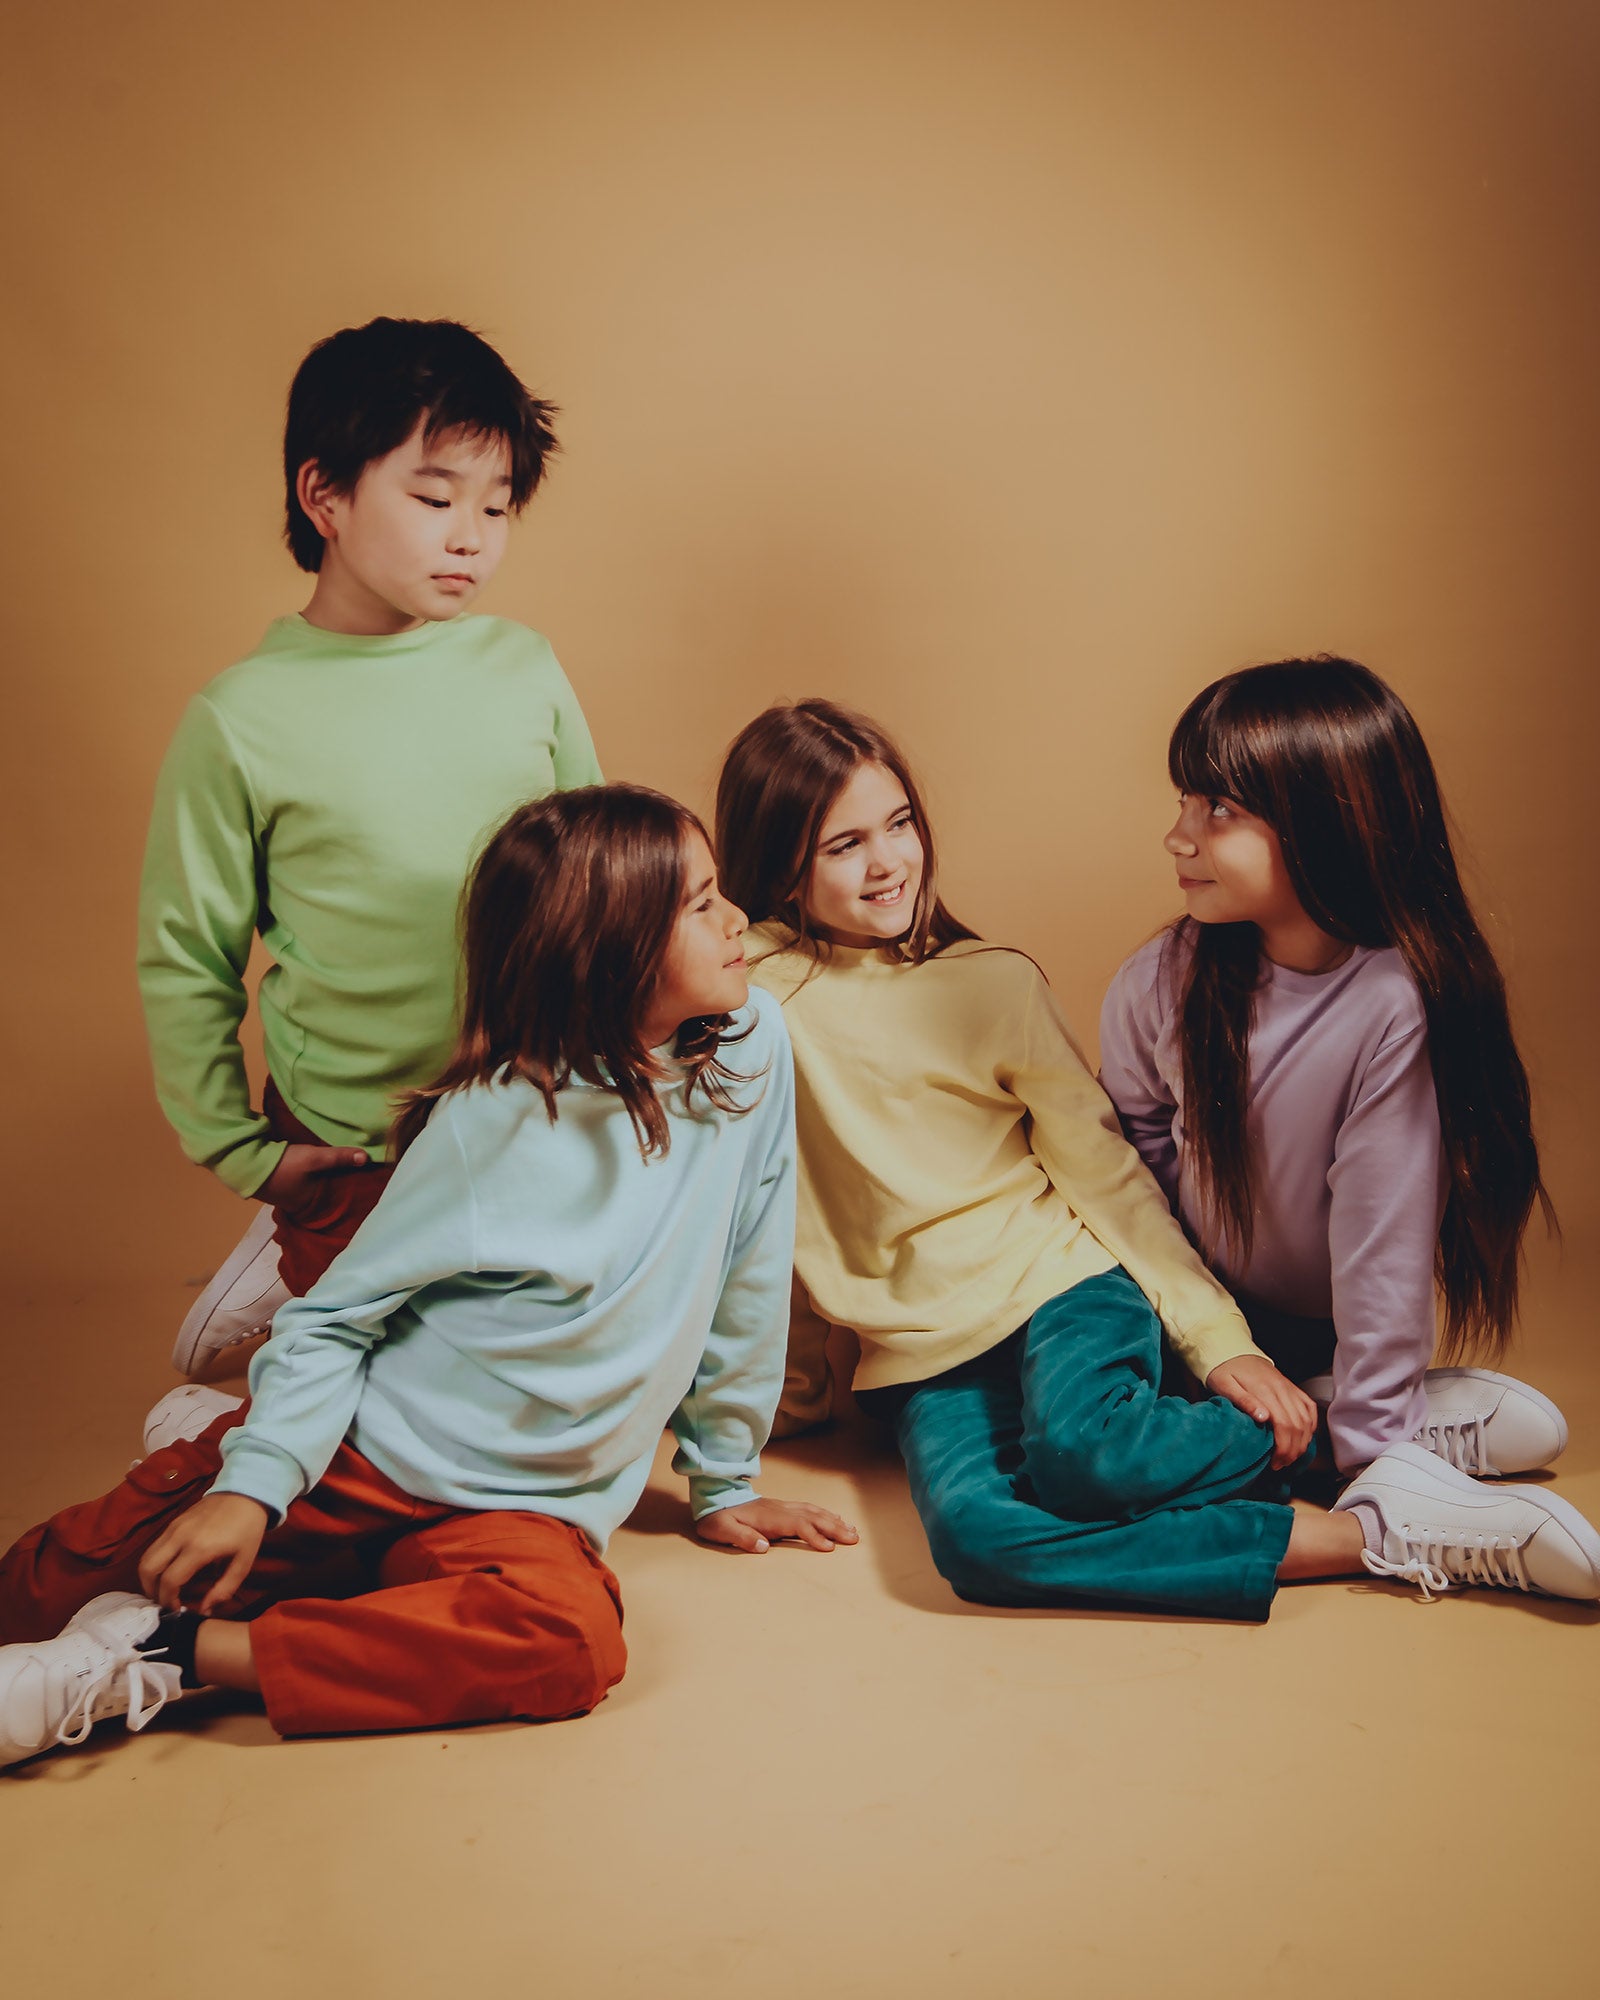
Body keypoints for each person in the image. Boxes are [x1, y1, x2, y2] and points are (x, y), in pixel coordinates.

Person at [0, 786, 855, 1767]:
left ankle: (164, 1653)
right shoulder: (498, 1119)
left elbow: (751, 1256)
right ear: (610, 949)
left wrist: (724, 1477)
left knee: (567, 1642)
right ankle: (222, 1443)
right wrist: (256, 1483)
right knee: (41, 1583)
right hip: (364, 1452)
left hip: (527, 1507)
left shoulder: (751, 1050)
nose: (737, 918)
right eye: (701, 903)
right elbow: (331, 1319)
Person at [714, 698, 1600, 1616]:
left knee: (1089, 1457)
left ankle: (1368, 1430)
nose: (890, 860)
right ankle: (1374, 1525)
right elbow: (769, 1210)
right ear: (782, 864)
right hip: (927, 1359)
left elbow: (1110, 1174)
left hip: (1067, 1283)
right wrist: (787, 1402)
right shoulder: (751, 1006)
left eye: (899, 824)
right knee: (980, 1542)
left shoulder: (990, 982)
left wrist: (1213, 1341)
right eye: (844, 844)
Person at [139, 316, 601, 1381]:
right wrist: (242, 1151)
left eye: (496, 506)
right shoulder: (240, 718)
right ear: (326, 496)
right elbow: (187, 954)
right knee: (386, 1404)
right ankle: (268, 1326)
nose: (471, 536)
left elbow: (597, 873)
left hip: (525, 1111)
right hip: (355, 1138)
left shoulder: (522, 666)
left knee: (516, 1391)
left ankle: (314, 1318)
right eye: (435, 499)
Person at [1098, 655, 1568, 1485]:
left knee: (1170, 1456)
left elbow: (1380, 1239)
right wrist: (1200, 1328)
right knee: (1098, 1436)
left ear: (1326, 823)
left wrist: (1375, 1452)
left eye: (1220, 809)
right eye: (1184, 801)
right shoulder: (1160, 977)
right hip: (1196, 1315)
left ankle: (1372, 1419)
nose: (1179, 836)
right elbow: (1134, 1160)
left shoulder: (1393, 1001)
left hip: (1322, 1324)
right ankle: (1345, 1414)